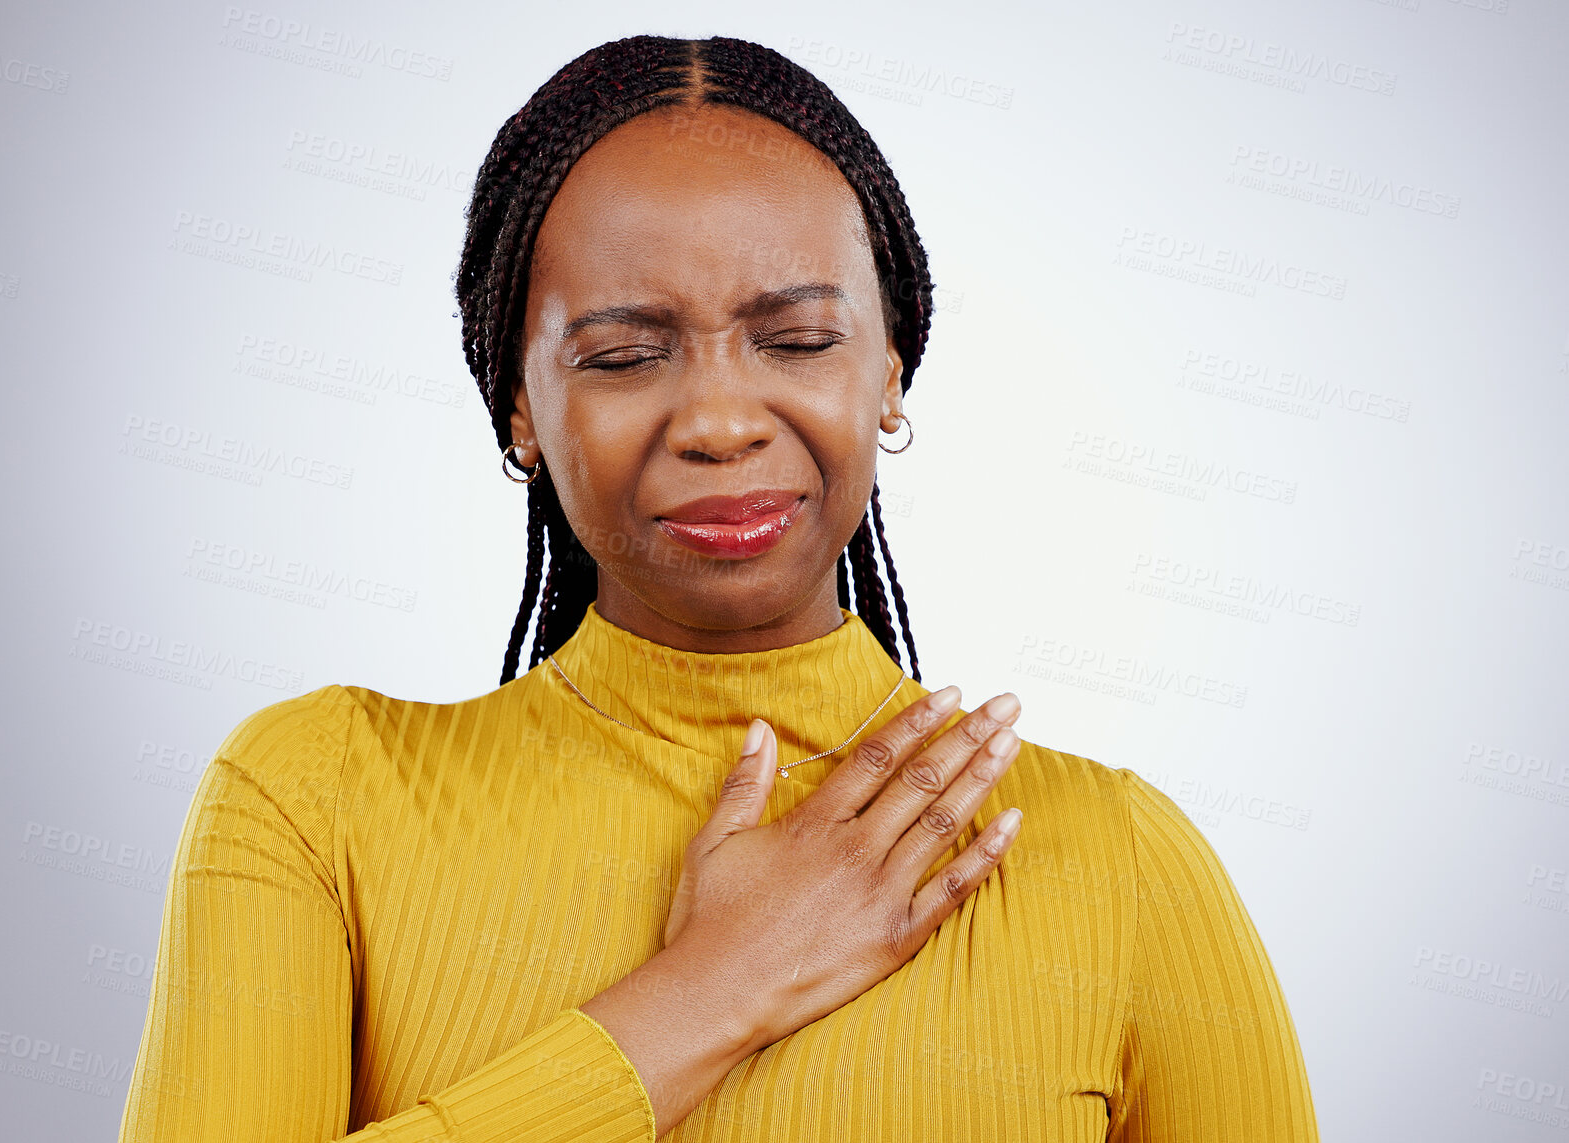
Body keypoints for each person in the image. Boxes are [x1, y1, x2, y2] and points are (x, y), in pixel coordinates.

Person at [118, 34, 1318, 1142]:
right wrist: (710, 993)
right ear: (521, 409)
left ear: (889, 371)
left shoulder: (1119, 863)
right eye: (624, 356)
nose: (720, 421)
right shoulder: (313, 801)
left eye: (795, 340)